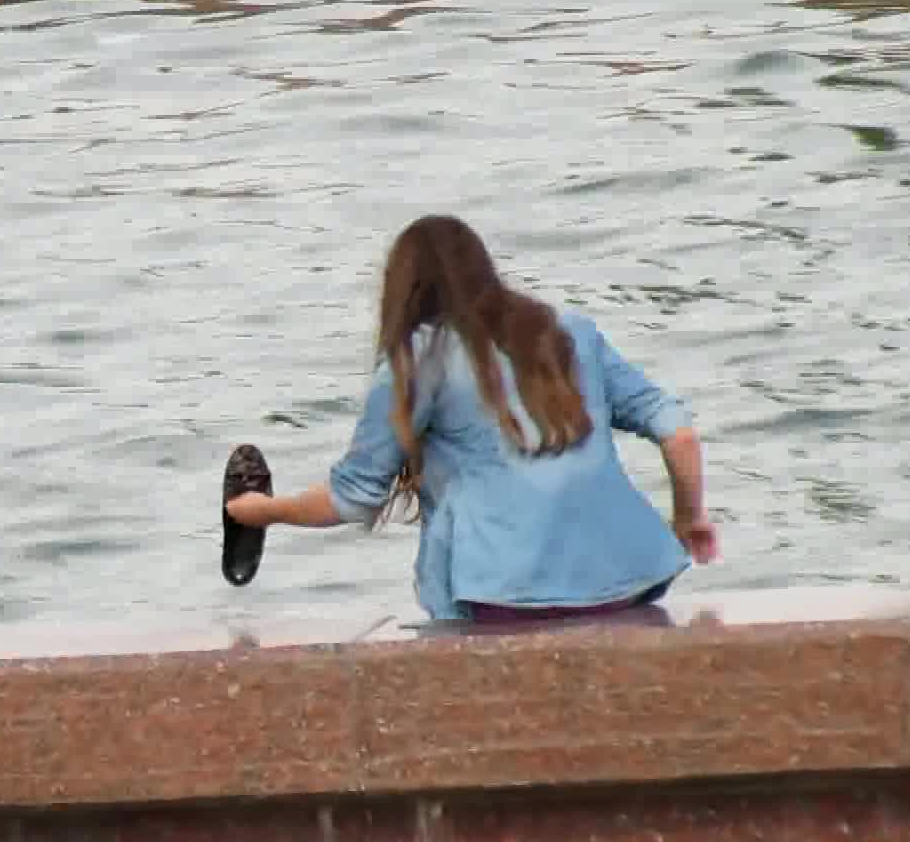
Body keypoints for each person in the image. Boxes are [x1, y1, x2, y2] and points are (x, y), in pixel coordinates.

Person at [224, 215, 717, 623]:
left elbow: (352, 499)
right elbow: (680, 434)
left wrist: (258, 512)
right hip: (631, 581)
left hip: (503, 596)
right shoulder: (570, 332)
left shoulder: (417, 360)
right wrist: (688, 519)